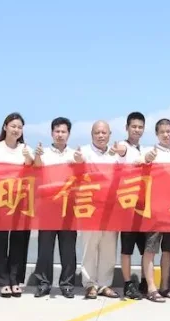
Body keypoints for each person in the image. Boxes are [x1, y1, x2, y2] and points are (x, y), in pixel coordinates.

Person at [0, 113, 34, 298]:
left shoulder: (25, 149)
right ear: (5, 127)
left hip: (21, 200)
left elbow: (33, 170)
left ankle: (15, 279)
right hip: (0, 198)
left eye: (19, 127)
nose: (16, 130)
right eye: (13, 126)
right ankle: (2, 280)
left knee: (19, 240)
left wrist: (29, 159)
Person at [33, 117, 78, 298]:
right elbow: (35, 170)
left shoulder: (74, 155)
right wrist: (36, 157)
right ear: (52, 133)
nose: (60, 134)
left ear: (69, 134)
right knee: (45, 248)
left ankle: (67, 284)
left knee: (68, 249)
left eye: (63, 131)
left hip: (68, 207)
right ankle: (44, 283)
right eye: (57, 131)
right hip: (48, 207)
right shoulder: (43, 154)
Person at [140, 118, 170, 302]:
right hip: (154, 210)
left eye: (169, 131)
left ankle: (165, 286)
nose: (166, 134)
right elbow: (137, 164)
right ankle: (151, 287)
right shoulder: (149, 152)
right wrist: (147, 160)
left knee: (168, 250)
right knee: (150, 249)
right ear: (157, 134)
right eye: (162, 132)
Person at [79, 121, 120, 299]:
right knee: (89, 247)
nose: (101, 136)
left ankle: (104, 284)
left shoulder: (116, 154)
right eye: (97, 132)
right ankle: (89, 284)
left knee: (109, 247)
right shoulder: (84, 152)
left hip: (111, 208)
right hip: (90, 207)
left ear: (110, 134)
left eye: (104, 132)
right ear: (92, 135)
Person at [110, 111, 148, 299]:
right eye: (134, 126)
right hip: (127, 207)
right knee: (127, 248)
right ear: (127, 128)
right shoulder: (124, 147)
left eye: (140, 127)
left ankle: (145, 281)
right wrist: (117, 150)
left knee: (146, 248)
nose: (137, 130)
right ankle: (127, 283)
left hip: (144, 206)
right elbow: (120, 150)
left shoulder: (145, 150)